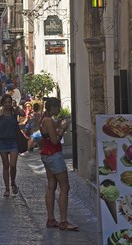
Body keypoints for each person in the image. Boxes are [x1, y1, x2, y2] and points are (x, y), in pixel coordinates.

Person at [40, 97, 78, 231]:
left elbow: (46, 134)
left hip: (45, 154)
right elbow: (55, 141)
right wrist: (63, 130)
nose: (59, 110)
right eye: (58, 107)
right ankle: (63, 221)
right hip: (54, 154)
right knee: (65, 186)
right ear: (54, 107)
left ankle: (51, 219)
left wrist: (57, 125)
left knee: (51, 186)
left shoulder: (43, 118)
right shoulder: (49, 120)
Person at [0, 93, 25, 196]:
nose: (7, 104)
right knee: (6, 165)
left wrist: (16, 107)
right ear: (2, 103)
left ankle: (13, 182)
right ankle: (7, 188)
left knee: (13, 165)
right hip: (2, 141)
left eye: (9, 102)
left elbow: (23, 114)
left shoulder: (14, 112)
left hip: (13, 141)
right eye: (5, 102)